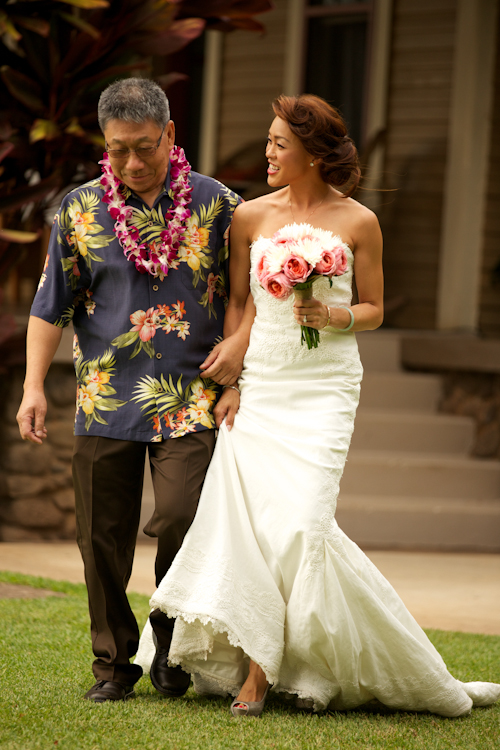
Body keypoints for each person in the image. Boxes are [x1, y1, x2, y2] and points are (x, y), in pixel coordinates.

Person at [135, 94, 500, 717]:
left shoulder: (359, 222)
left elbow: (375, 309)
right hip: (266, 384)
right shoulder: (248, 217)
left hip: (326, 388)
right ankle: (259, 666)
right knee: (262, 530)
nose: (269, 152)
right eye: (271, 140)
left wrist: (332, 314)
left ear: (313, 152)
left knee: (303, 526)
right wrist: (233, 380)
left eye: (280, 143)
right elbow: (242, 308)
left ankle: (282, 666)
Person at [16, 77, 244, 703]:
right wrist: (34, 386)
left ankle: (168, 646)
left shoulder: (220, 206)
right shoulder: (80, 209)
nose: (133, 164)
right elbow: (48, 305)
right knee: (101, 538)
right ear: (104, 142)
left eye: (144, 147)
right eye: (118, 149)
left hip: (192, 397)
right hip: (103, 398)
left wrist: (240, 363)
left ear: (170, 134)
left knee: (183, 517)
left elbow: (249, 300)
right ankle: (115, 664)